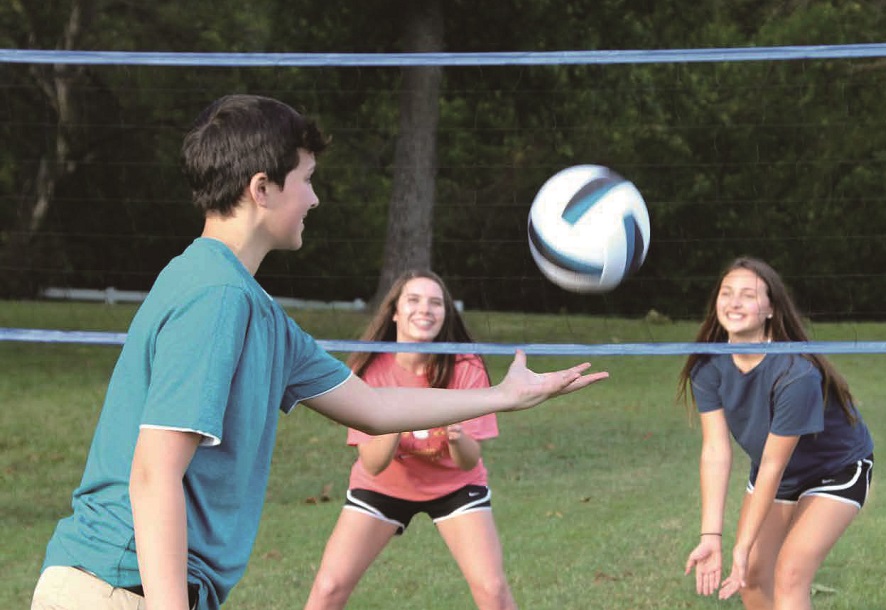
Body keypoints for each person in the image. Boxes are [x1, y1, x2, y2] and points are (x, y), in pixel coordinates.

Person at [30, 94, 607, 610]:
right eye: (305, 179)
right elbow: (155, 474)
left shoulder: (254, 309)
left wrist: (504, 395)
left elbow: (375, 408)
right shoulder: (214, 296)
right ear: (261, 188)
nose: (315, 197)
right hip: (117, 586)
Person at [305, 269, 517, 610]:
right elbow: (372, 465)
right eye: (414, 300)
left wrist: (456, 435)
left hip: (455, 487)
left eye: (436, 303)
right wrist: (395, 420)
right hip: (383, 486)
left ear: (445, 314)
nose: (425, 309)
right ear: (395, 312)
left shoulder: (465, 365)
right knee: (329, 587)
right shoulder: (369, 368)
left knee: (492, 589)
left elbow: (468, 460)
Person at [677, 256, 874, 609]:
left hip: (835, 470)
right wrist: (712, 536)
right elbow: (716, 452)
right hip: (777, 472)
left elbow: (772, 465)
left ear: (770, 309)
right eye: (726, 292)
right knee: (752, 578)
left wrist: (741, 546)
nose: (734, 302)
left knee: (789, 574)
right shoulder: (707, 363)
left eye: (748, 295)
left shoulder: (796, 374)